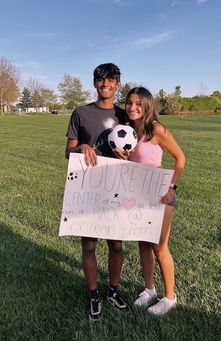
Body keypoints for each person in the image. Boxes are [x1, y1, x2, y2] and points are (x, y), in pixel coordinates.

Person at [65, 63, 129, 321]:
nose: (105, 84)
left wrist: (128, 156)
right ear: (95, 84)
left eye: (111, 80)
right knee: (89, 245)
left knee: (116, 245)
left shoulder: (126, 116)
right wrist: (81, 146)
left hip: (115, 187)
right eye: (101, 80)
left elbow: (138, 148)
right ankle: (94, 295)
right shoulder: (81, 113)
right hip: (89, 187)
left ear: (118, 84)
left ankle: (113, 291)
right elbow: (66, 151)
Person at [123, 86, 185, 315]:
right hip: (138, 196)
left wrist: (172, 187)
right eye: (129, 102)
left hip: (160, 196)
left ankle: (170, 297)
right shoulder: (127, 130)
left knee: (160, 248)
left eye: (138, 103)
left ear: (147, 105)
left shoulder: (156, 129)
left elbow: (180, 158)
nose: (133, 107)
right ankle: (149, 289)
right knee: (143, 245)